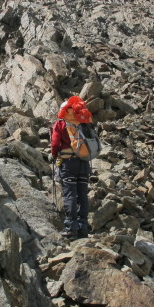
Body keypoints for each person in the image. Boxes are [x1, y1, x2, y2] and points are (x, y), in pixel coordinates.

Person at [50, 96, 93, 238]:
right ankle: (83, 227)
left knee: (70, 195)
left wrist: (55, 155)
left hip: (68, 164)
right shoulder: (82, 122)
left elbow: (55, 144)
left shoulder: (60, 124)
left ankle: (70, 228)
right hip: (83, 162)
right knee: (82, 195)